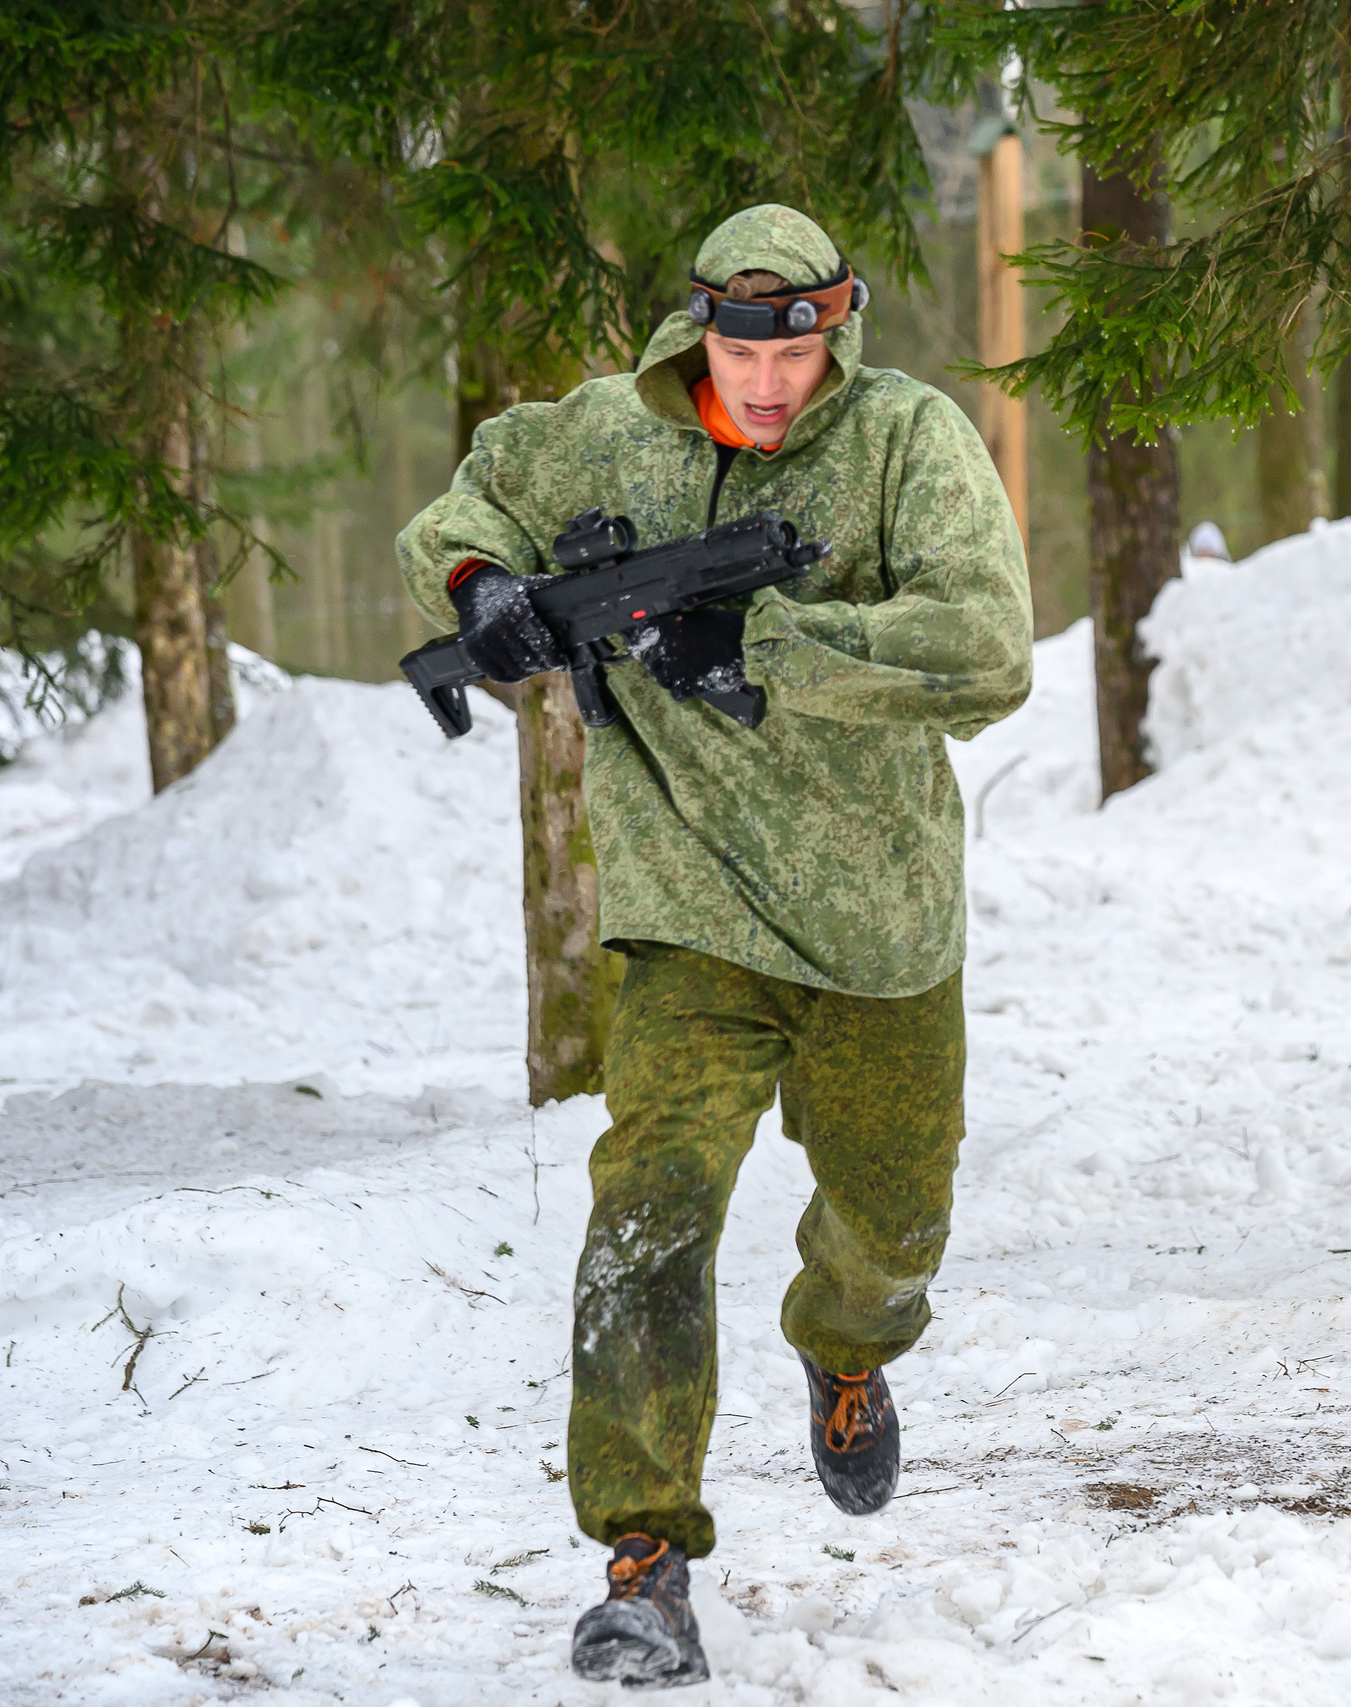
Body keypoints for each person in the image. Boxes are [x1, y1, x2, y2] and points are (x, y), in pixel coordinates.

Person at [395, 204, 1032, 1688]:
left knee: (896, 1228)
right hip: (689, 913)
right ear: (701, 332)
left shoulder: (906, 444)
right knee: (652, 1204)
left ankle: (848, 1347)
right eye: (739, 347)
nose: (764, 378)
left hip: (878, 919)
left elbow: (988, 649)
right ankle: (643, 1561)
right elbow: (472, 500)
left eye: (793, 347)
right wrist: (481, 592)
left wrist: (772, 653)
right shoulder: (603, 441)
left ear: (835, 333)